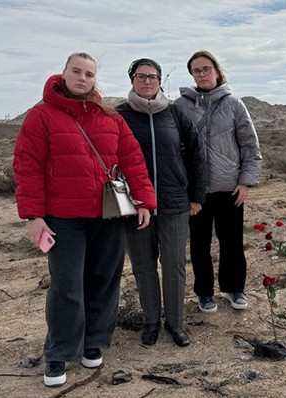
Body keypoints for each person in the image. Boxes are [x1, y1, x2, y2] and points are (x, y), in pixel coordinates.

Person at [13, 52, 156, 388]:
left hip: (107, 216)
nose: (82, 78)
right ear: (63, 73)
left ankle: (93, 340)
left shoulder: (110, 117)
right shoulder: (41, 116)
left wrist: (145, 200)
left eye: (89, 74)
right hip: (63, 219)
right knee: (66, 287)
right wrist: (34, 216)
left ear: (95, 79)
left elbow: (132, 159)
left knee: (104, 281)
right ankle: (59, 352)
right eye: (76, 71)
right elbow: (27, 166)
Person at [116, 58, 206, 347]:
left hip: (174, 202)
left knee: (174, 264)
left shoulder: (175, 112)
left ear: (160, 80)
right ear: (132, 79)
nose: (147, 82)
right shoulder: (119, 115)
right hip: (135, 206)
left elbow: (195, 155)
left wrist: (196, 196)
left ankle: (176, 323)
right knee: (143, 266)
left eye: (153, 77)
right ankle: (152, 321)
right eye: (141, 76)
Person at [175, 50, 262, 313]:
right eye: (196, 71)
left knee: (232, 242)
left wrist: (246, 182)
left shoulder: (234, 104)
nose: (201, 74)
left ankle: (235, 288)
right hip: (196, 192)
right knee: (199, 244)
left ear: (216, 71)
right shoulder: (180, 106)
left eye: (206, 69)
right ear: (191, 75)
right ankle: (204, 293)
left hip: (230, 188)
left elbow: (249, 145)